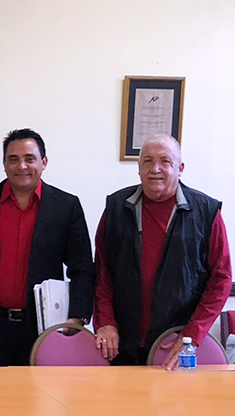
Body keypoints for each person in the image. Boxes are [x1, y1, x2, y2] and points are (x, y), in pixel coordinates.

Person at [94, 134, 231, 369]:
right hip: (122, 344)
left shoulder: (206, 213)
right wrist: (105, 322)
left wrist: (192, 335)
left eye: (165, 161)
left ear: (180, 168)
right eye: (147, 161)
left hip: (176, 345)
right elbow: (102, 272)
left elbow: (221, 279)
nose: (155, 169)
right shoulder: (116, 207)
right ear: (138, 169)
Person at [0, 129, 94, 366]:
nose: (21, 166)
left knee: (42, 399)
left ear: (44, 162)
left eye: (29, 158)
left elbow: (81, 266)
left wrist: (77, 316)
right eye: (13, 159)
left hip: (43, 328)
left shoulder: (66, 207)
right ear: (4, 164)